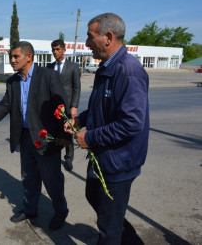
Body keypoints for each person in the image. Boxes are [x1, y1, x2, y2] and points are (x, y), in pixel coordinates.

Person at [65, 13, 148, 244]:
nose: (86, 44)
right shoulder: (106, 68)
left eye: (90, 37)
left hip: (119, 161)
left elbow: (131, 123)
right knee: (95, 197)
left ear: (108, 37)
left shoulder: (129, 71)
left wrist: (90, 137)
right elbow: (100, 108)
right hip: (104, 156)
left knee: (109, 228)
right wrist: (81, 120)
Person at [0, 41, 70, 230]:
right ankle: (30, 210)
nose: (12, 60)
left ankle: (61, 212)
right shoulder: (13, 82)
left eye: (15, 57)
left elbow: (61, 106)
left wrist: (64, 136)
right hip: (26, 137)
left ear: (29, 57)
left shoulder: (47, 75)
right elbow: (5, 105)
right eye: (11, 57)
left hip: (47, 138)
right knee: (28, 178)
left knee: (52, 180)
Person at [47, 39, 81, 171]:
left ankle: (68, 158)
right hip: (52, 106)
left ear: (64, 50)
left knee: (68, 133)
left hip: (67, 106)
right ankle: (54, 155)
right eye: (53, 50)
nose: (55, 52)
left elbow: (76, 88)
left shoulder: (73, 66)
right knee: (54, 131)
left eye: (57, 49)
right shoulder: (49, 67)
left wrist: (74, 106)